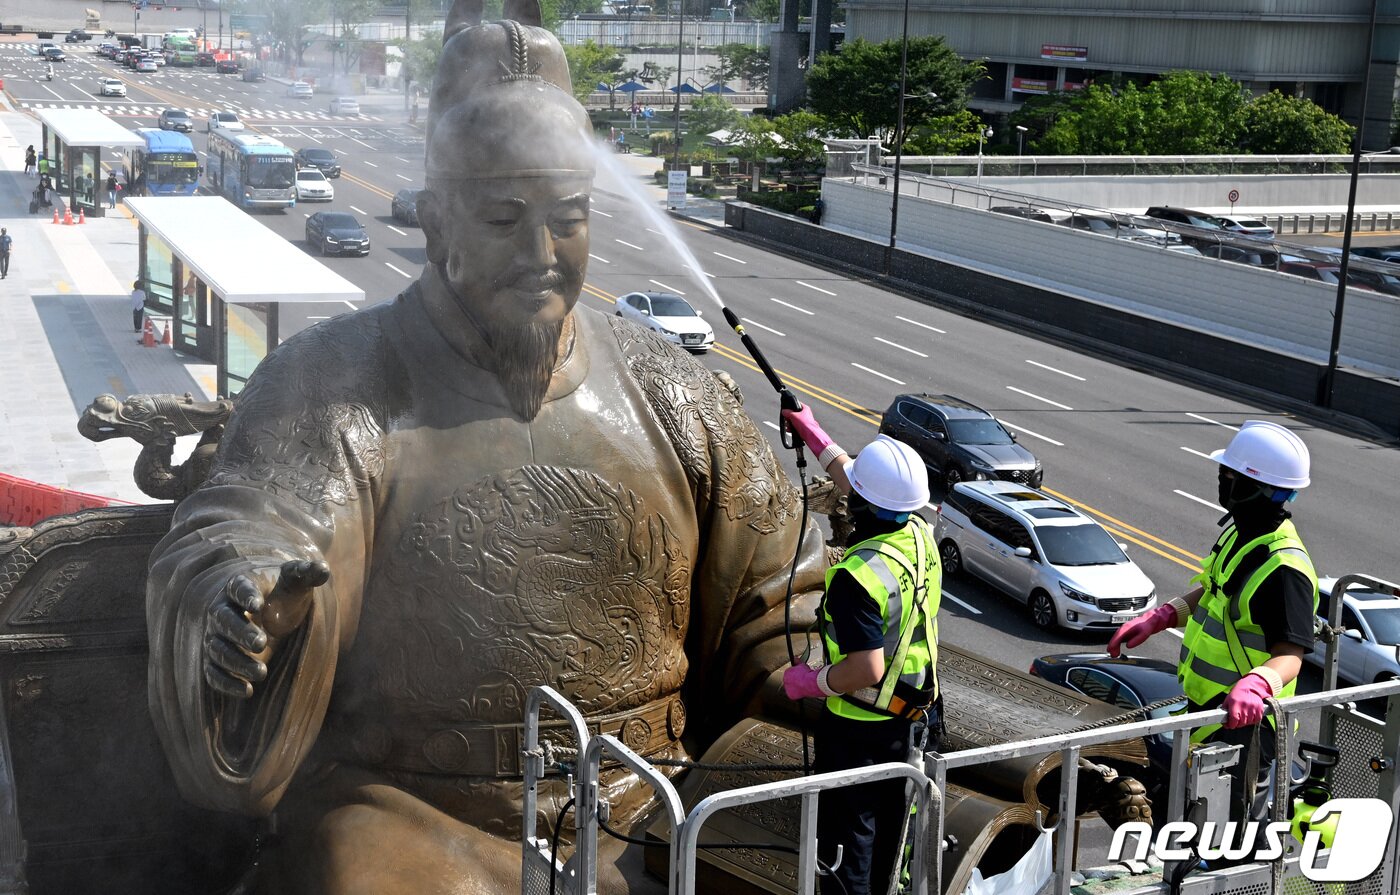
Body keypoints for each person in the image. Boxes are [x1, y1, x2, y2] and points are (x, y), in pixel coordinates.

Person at [144, 9, 827, 893]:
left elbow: (776, 599)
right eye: (504, 217)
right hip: (411, 807)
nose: (542, 252)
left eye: (566, 218)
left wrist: (814, 670)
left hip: (655, 798)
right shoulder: (341, 383)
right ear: (437, 222)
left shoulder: (679, 391)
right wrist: (243, 601)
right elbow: (252, 530)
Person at [1108, 420, 1316, 825]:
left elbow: (1290, 655)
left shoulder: (1284, 567)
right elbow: (1215, 590)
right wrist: (1162, 616)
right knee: (1192, 811)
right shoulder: (1240, 534)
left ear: (1253, 486)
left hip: (1249, 723)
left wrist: (1255, 685)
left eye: (1228, 475)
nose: (1221, 481)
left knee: (1220, 828)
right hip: (1211, 708)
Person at [780, 411, 941, 895]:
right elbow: (863, 481)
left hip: (859, 727)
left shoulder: (858, 575)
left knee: (848, 848)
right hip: (913, 717)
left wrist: (811, 682)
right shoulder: (919, 538)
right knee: (893, 844)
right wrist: (812, 432)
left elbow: (866, 667)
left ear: (862, 502)